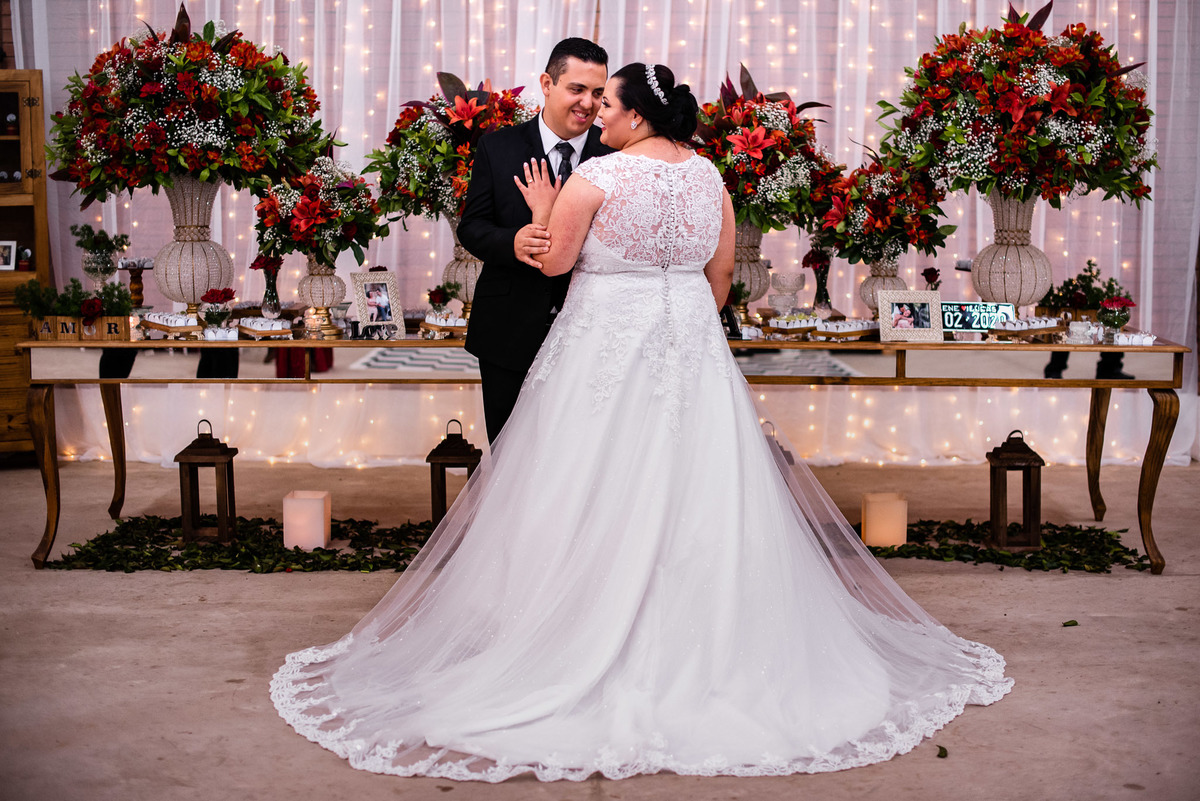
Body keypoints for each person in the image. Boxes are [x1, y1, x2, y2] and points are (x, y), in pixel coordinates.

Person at [271, 63, 1012, 781]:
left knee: (582, 479)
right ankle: (711, 642)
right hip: (690, 345)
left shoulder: (599, 175)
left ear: (633, 114)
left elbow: (556, 263)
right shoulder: (710, 175)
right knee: (701, 485)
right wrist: (676, 308)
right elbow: (722, 280)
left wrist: (539, 214)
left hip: (603, 346)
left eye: (610, 105)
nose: (599, 115)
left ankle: (562, 632)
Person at [458, 37, 615, 443]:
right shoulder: (498, 145)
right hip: (507, 327)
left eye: (598, 93)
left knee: (578, 451)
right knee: (509, 448)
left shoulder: (615, 154)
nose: (588, 103)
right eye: (576, 89)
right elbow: (472, 227)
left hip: (589, 329)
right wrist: (512, 242)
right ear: (547, 83)